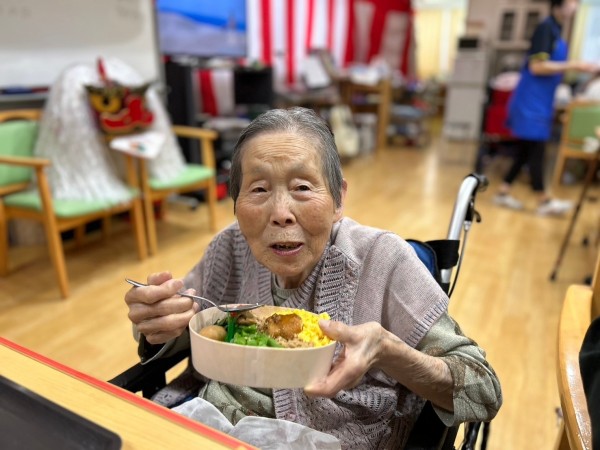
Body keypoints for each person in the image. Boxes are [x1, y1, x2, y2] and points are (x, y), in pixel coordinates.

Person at [125, 107, 502, 449]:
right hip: (208, 427)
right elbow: (186, 328)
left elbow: (483, 390)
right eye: (258, 189)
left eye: (302, 187)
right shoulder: (230, 248)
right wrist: (160, 322)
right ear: (235, 204)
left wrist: (389, 351)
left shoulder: (381, 260)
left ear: (338, 199)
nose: (281, 213)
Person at [493, 0, 599, 215]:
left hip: (541, 101)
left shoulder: (557, 30)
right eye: (572, 1)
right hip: (530, 101)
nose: (576, 6)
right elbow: (537, 67)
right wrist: (574, 65)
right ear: (560, 4)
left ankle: (503, 192)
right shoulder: (545, 28)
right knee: (536, 148)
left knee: (526, 149)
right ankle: (543, 199)